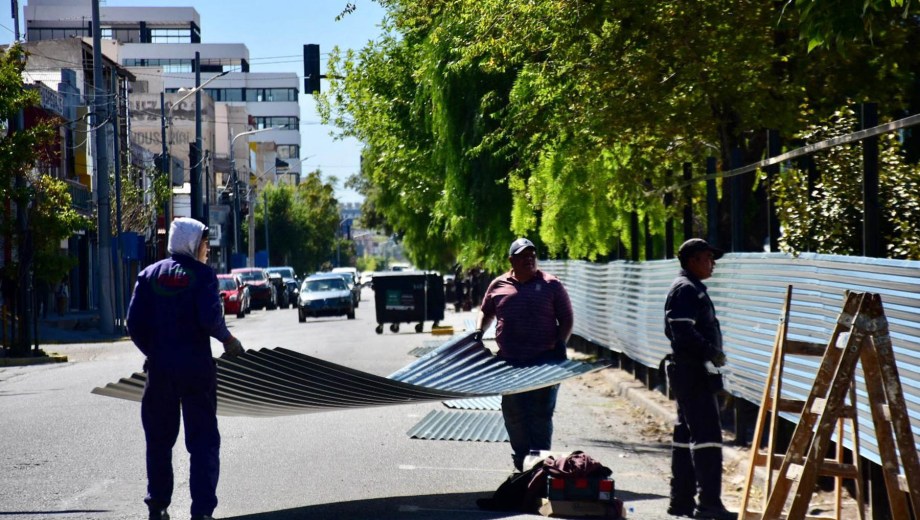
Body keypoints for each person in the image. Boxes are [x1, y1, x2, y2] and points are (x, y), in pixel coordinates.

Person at [127, 217, 244, 520]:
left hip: (160, 371)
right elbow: (210, 319)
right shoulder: (203, 275)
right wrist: (229, 340)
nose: (207, 249)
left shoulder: (148, 275)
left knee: (159, 440)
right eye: (205, 243)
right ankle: (202, 512)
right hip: (196, 370)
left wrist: (154, 352)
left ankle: (158, 506)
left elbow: (133, 324)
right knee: (203, 441)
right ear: (192, 243)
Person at [475, 237, 574, 472]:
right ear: (512, 260)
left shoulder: (551, 284)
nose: (529, 259)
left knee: (540, 414)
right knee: (513, 413)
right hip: (510, 363)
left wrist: (560, 343)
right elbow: (486, 312)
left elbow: (567, 318)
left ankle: (540, 464)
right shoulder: (498, 285)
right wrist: (479, 332)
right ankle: (522, 460)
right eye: (523, 256)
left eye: (532, 255)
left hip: (544, 361)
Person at [664, 238, 736, 520]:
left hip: (689, 371)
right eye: (708, 257)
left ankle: (681, 501)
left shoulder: (690, 288)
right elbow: (681, 330)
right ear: (693, 260)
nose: (712, 263)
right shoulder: (686, 289)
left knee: (686, 435)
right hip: (692, 371)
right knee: (707, 437)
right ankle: (709, 504)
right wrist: (711, 352)